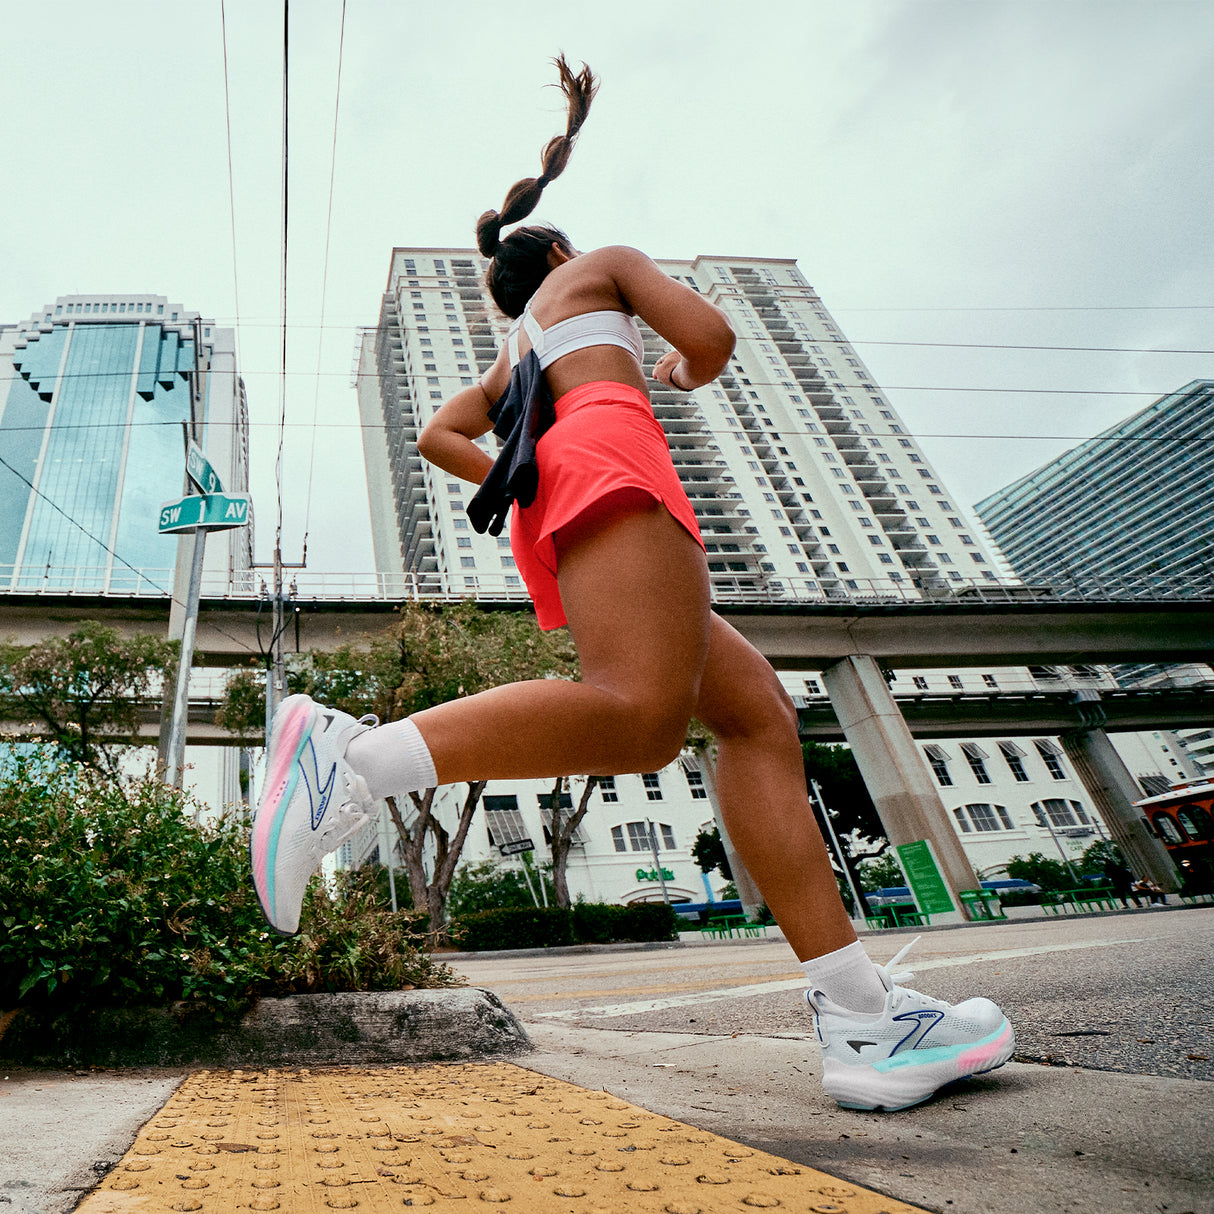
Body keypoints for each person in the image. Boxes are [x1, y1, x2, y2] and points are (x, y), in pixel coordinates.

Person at [249, 55, 1014, 1113]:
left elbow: (439, 436)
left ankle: (862, 1014)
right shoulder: (596, 266)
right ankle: (350, 762)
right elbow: (709, 337)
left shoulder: (511, 357)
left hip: (568, 498)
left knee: (754, 720)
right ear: (556, 249)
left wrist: (535, 471)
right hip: (617, 472)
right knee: (640, 716)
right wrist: (670, 373)